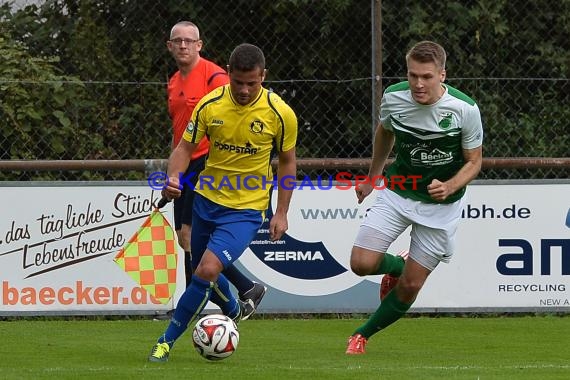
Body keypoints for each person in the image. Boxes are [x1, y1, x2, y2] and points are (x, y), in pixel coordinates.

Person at [149, 43, 298, 362]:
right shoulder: (209, 105)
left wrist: (282, 212)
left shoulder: (279, 113)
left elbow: (287, 162)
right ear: (228, 74)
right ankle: (234, 306)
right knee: (202, 270)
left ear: (263, 77)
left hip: (245, 210)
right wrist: (173, 177)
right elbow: (184, 149)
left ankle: (165, 341)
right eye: (238, 82)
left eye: (252, 83)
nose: (244, 90)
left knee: (206, 269)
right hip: (205, 200)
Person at [345, 40, 483, 354]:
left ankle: (362, 335)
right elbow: (385, 131)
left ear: (442, 75)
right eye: (412, 75)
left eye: (426, 77)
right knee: (361, 263)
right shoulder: (394, 97)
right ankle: (397, 265)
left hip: (441, 206)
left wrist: (449, 186)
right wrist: (372, 178)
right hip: (399, 191)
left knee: (410, 285)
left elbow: (475, 161)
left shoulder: (465, 109)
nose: (418, 84)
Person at [165, 21, 266, 316]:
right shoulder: (173, 81)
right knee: (191, 242)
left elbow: (236, 118)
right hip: (185, 167)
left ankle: (209, 301)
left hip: (207, 166)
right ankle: (246, 289)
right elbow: (181, 136)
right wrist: (174, 172)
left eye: (189, 40)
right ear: (169, 46)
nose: (183, 45)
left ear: (200, 45)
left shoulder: (216, 78)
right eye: (177, 41)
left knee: (188, 238)